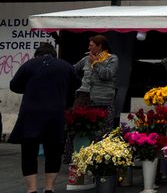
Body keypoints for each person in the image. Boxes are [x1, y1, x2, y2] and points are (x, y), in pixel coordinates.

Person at [8, 42, 80, 193]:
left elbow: (14, 85)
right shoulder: (66, 66)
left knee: (29, 152)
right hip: (55, 113)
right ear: (54, 54)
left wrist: (30, 87)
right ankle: (49, 188)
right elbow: (76, 84)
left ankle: (32, 189)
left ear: (37, 54)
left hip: (31, 114)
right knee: (53, 152)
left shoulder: (29, 64)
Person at [73, 34, 119, 129]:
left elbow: (107, 75)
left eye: (91, 46)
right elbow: (72, 70)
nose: (88, 48)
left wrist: (96, 63)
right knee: (77, 127)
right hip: (83, 97)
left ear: (100, 46)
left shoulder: (112, 58)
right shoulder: (86, 59)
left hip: (102, 99)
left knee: (101, 129)